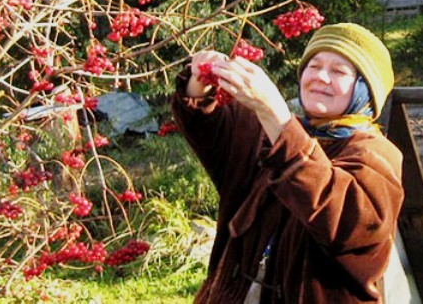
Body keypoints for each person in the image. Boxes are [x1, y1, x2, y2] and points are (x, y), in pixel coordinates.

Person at [171, 23, 404, 303]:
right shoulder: (273, 133)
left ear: (366, 90)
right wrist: (201, 83)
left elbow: (341, 219)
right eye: (313, 65)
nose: (321, 77)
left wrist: (276, 115)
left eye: (339, 71)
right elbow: (215, 132)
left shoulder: (376, 155)